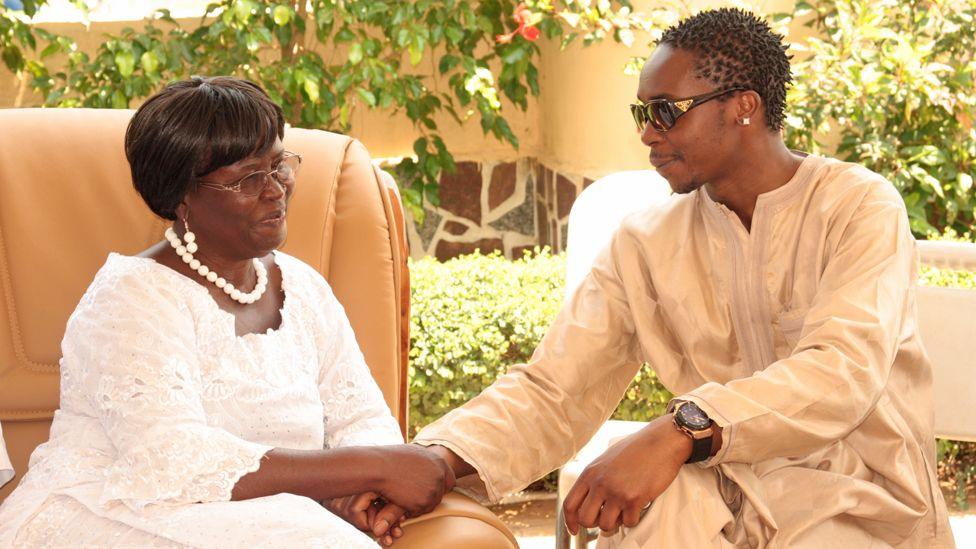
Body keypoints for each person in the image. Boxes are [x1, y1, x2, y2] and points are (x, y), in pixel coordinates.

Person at [405, 8, 954, 548]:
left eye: (666, 111)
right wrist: (438, 457)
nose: (648, 134)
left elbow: (843, 371)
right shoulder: (646, 242)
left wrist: (682, 429)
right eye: (641, 113)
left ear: (744, 107)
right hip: (721, 490)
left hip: (860, 502)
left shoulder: (857, 207)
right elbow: (557, 389)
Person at [0, 76, 453, 547]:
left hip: (266, 515)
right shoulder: (128, 299)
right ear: (181, 196)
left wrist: (363, 494)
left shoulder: (304, 288)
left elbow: (360, 417)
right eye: (246, 178)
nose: (275, 189)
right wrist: (373, 467)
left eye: (279, 165)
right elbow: (173, 460)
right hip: (116, 514)